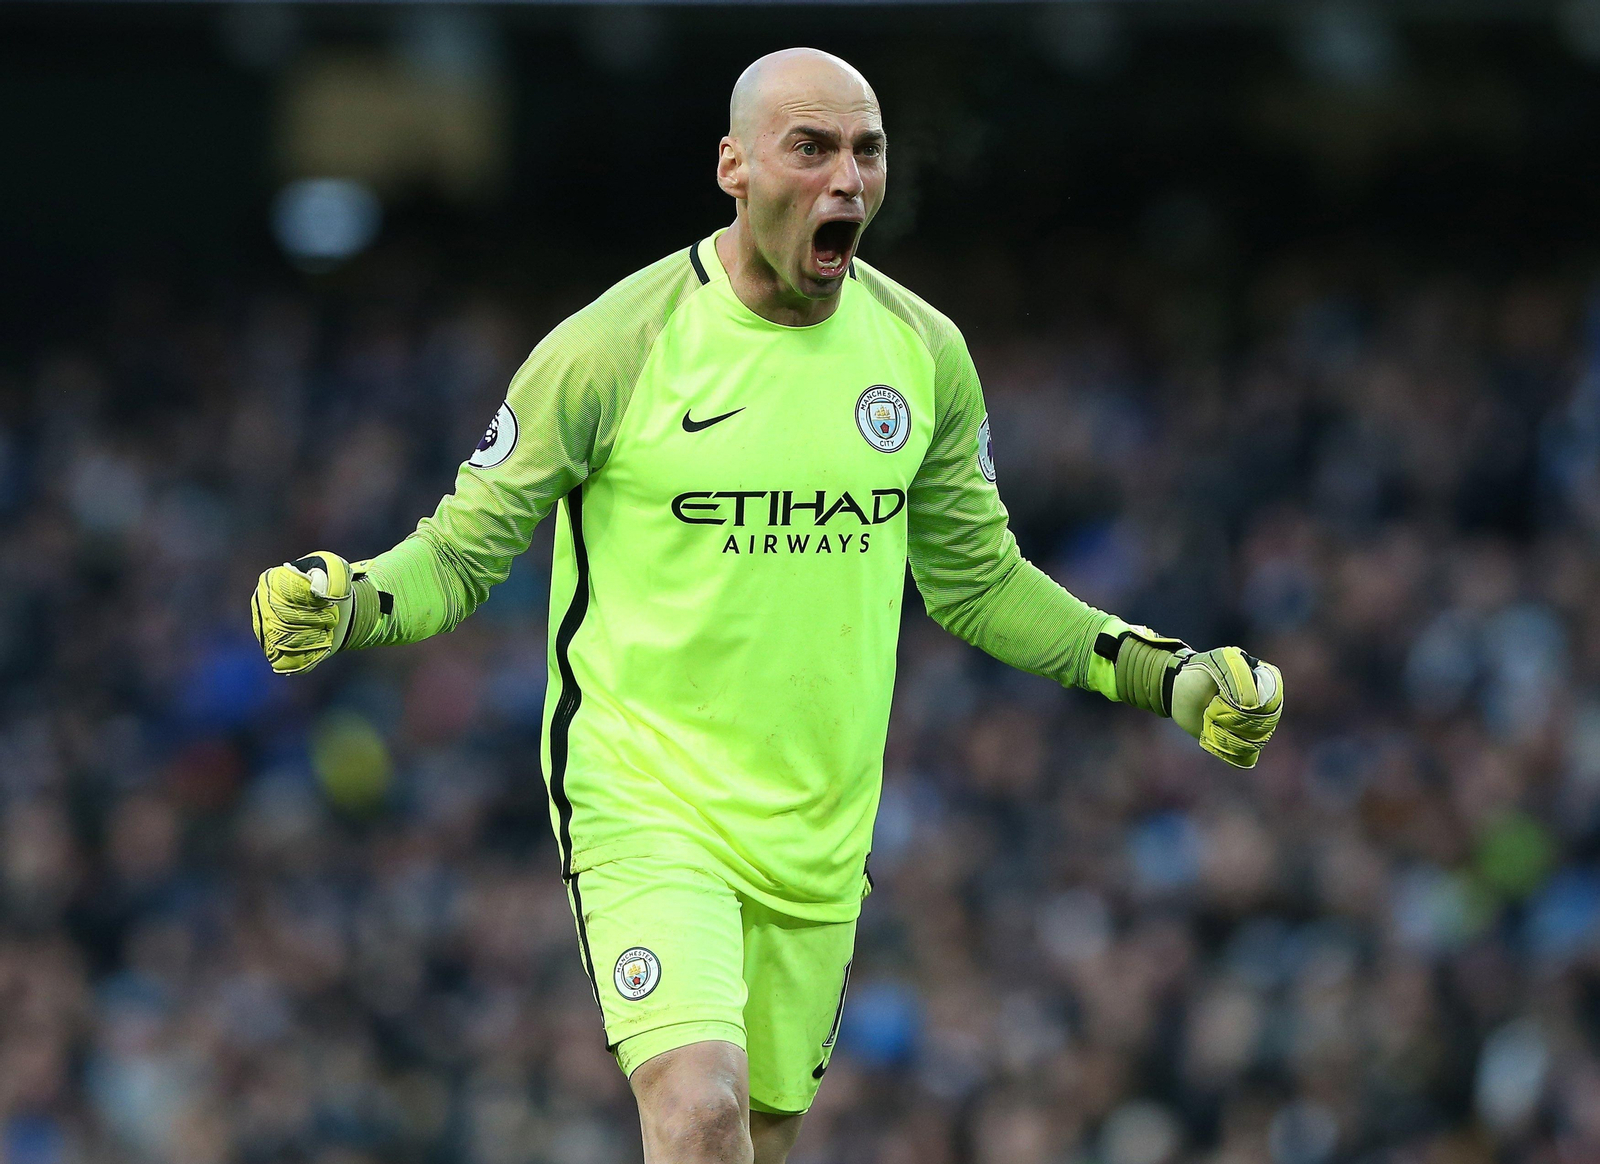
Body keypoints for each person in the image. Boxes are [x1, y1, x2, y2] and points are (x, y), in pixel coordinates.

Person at [250, 47, 1283, 1164]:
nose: (847, 178)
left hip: (819, 830)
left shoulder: (922, 354)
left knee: (756, 1140)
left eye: (866, 151)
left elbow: (979, 583)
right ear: (734, 168)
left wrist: (1164, 676)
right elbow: (460, 554)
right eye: (813, 148)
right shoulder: (615, 346)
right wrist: (353, 601)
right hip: (645, 800)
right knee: (699, 1110)